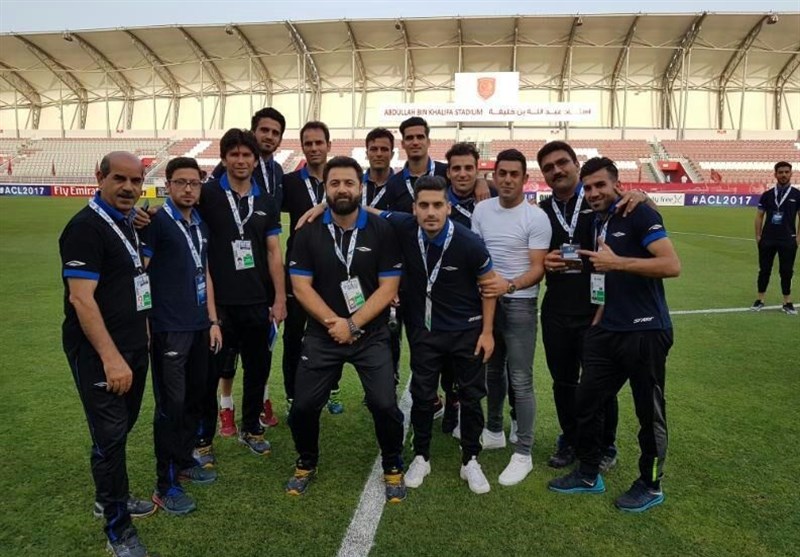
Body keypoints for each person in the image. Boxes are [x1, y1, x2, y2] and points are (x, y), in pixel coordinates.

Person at [548, 156, 680, 513]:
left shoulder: (639, 213)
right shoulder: (598, 221)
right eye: (588, 187)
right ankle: (589, 473)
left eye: (600, 185)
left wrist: (618, 262)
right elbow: (602, 276)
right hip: (606, 330)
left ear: (616, 184)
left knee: (648, 414)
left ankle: (650, 484)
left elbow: (671, 265)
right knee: (587, 402)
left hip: (645, 330)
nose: (593, 193)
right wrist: (599, 317)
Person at [285, 156, 406, 502]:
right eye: (335, 183)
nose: (342, 189)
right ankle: (306, 461)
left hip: (371, 334)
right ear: (325, 188)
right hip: (323, 333)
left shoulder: (381, 229)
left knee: (384, 404)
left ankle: (393, 464)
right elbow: (301, 287)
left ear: (360, 187)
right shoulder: (308, 230)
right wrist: (335, 324)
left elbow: (388, 287)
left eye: (349, 183)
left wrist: (352, 324)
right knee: (303, 407)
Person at [60, 151, 156, 557]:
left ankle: (108, 496)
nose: (129, 188)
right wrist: (111, 358)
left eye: (136, 181)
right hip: (100, 352)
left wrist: (142, 332)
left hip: (133, 344)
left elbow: (133, 280)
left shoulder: (127, 223)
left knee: (120, 427)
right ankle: (118, 530)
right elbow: (81, 300)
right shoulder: (85, 228)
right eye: (119, 179)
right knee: (111, 436)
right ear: (99, 177)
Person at [537, 140, 653, 471]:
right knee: (563, 382)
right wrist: (545, 261)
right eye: (548, 167)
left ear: (576, 165)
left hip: (598, 309)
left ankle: (605, 444)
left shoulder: (599, 201)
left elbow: (641, 210)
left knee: (600, 384)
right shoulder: (541, 211)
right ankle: (570, 438)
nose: (557, 170)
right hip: (557, 309)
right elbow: (531, 256)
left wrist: (642, 194)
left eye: (562, 162)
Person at [383, 176, 497, 494]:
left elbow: (490, 287)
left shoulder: (469, 242)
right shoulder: (405, 227)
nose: (430, 212)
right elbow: (369, 211)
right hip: (425, 331)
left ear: (448, 207)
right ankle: (422, 456)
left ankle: (470, 459)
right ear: (414, 209)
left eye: (437, 205)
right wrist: (322, 206)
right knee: (423, 396)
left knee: (471, 396)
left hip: (466, 331)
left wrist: (488, 332)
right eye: (424, 205)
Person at [194, 129, 286, 462]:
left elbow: (273, 251)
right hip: (219, 305)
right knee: (210, 375)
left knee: (257, 370)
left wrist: (280, 298)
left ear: (255, 159)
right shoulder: (207, 195)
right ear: (224, 159)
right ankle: (203, 439)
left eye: (246, 154)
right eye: (233, 154)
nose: (241, 160)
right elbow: (180, 214)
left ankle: (251, 429)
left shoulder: (266, 201)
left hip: (258, 302)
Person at [140, 157, 220, 516]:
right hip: (169, 329)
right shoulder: (156, 223)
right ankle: (165, 484)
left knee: (194, 400)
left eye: (194, 183)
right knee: (171, 407)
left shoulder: (199, 223)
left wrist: (213, 320)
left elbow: (205, 272)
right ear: (168, 185)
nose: (188, 189)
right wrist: (143, 322)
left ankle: (185, 461)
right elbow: (140, 273)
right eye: (181, 182)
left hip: (199, 325)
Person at [471, 148, 551, 486]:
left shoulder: (536, 217)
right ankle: (493, 431)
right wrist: (490, 289)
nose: (507, 180)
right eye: (501, 173)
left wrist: (510, 285)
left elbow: (538, 268)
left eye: (514, 174)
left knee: (520, 378)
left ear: (524, 178)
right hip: (488, 301)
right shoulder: (481, 210)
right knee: (492, 371)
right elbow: (477, 256)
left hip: (520, 303)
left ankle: (524, 452)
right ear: (494, 176)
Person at [281, 121, 346, 415]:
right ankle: (292, 395)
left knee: (334, 327)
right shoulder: (290, 182)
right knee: (294, 335)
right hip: (299, 272)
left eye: (319, 142)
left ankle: (332, 388)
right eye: (308, 143)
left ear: (329, 145)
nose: (314, 148)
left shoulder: (340, 179)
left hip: (334, 269)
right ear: (302, 147)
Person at [440, 142, 498, 436]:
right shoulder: (439, 200)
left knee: (484, 360)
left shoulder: (492, 196)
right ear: (448, 172)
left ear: (478, 170)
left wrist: (484, 182)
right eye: (456, 168)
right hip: (450, 296)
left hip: (489, 290)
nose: (462, 174)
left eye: (469, 168)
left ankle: (485, 418)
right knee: (448, 362)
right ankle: (452, 405)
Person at [751, 161, 799, 315]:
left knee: (786, 271)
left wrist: (798, 238)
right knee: (764, 270)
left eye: (786, 172)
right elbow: (759, 216)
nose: (783, 175)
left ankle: (787, 302)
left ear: (791, 174)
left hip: (788, 239)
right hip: (768, 239)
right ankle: (760, 299)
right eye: (780, 172)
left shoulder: (797, 195)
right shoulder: (767, 195)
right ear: (775, 174)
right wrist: (758, 236)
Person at [381, 117, 449, 213]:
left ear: (428, 142)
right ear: (403, 144)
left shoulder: (446, 173)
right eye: (409, 138)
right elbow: (393, 217)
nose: (415, 142)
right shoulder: (394, 183)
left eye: (420, 137)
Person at [362, 127, 395, 208]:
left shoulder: (401, 186)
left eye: (384, 149)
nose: (379, 154)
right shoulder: (355, 184)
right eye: (374, 149)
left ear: (392, 154)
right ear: (367, 154)